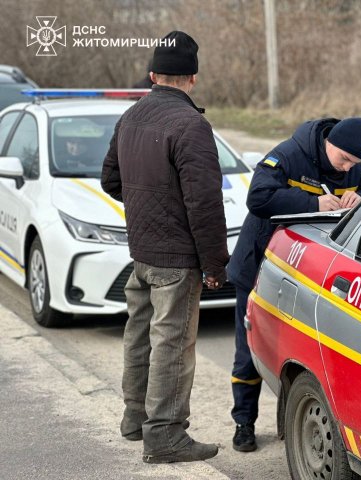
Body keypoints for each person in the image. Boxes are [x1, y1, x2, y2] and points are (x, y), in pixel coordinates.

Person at [101, 31, 229, 464]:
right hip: (177, 259)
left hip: (141, 252)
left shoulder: (131, 116)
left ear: (153, 74)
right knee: (172, 344)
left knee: (139, 336)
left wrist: (147, 209)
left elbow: (111, 181)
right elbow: (205, 204)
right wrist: (214, 265)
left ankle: (135, 419)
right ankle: (166, 436)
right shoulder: (191, 125)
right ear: (192, 78)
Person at [226, 117, 361, 451]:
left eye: (355, 163)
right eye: (345, 158)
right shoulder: (289, 155)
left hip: (302, 273)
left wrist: (360, 196)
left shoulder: (351, 169)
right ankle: (244, 424)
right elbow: (259, 198)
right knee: (248, 347)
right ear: (330, 143)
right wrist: (313, 204)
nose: (348, 166)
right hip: (259, 264)